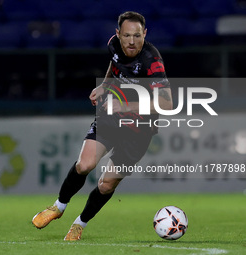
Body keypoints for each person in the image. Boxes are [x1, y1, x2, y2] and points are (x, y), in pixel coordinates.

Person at [32, 11, 173, 241]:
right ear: (117, 34)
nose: (131, 41)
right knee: (84, 164)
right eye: (126, 35)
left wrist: (126, 106)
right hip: (111, 117)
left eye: (137, 36)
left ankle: (80, 224)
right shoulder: (114, 46)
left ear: (144, 34)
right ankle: (58, 207)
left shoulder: (152, 61)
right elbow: (114, 65)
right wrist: (105, 86)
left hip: (140, 129)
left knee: (106, 184)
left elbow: (167, 102)